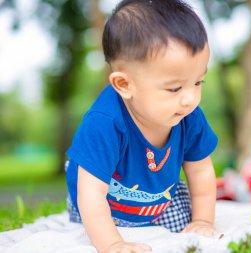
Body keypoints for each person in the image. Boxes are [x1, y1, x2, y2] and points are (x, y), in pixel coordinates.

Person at [65, 0, 218, 252]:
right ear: (124, 85)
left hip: (158, 195)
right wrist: (112, 244)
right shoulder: (105, 122)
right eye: (174, 88)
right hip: (100, 200)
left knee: (184, 224)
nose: (190, 98)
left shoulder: (188, 115)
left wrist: (202, 220)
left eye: (198, 82)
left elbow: (200, 171)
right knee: (90, 231)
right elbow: (91, 193)